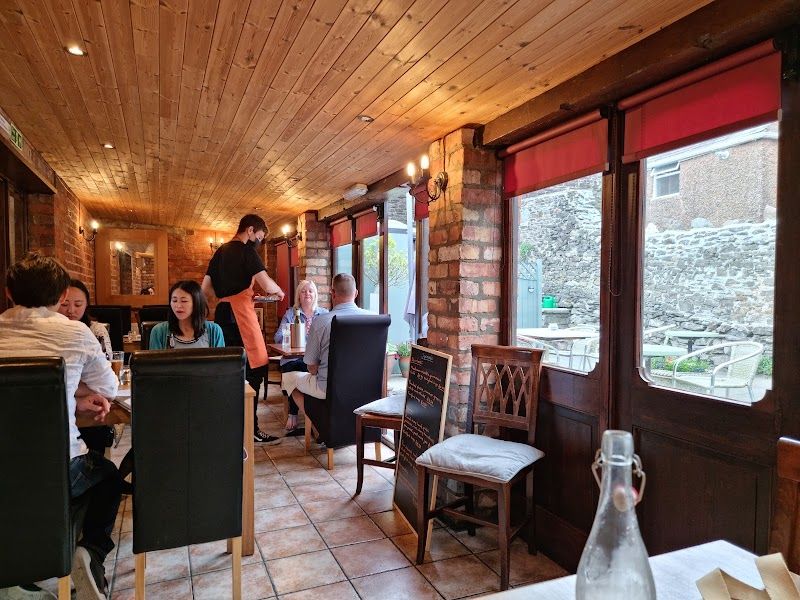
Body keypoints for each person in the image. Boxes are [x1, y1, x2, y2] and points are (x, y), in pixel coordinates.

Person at [0, 253, 121, 600]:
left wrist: (72, 398)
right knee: (107, 477)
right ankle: (91, 551)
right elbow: (109, 387)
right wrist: (76, 392)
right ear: (61, 296)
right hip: (58, 470)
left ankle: (14, 575)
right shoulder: (75, 333)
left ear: (9, 292)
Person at [202, 214, 285, 445]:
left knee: (229, 373)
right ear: (250, 230)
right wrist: (279, 292)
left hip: (222, 314)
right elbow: (267, 284)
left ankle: (230, 429)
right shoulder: (246, 250)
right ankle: (251, 429)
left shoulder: (219, 252)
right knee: (255, 369)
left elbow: (205, 289)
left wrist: (229, 295)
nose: (259, 241)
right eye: (259, 236)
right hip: (240, 316)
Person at [282, 274, 369, 424]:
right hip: (365, 386)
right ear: (356, 293)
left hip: (328, 387)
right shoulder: (373, 318)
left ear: (332, 293)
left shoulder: (322, 321)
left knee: (289, 378)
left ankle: (319, 425)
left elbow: (312, 367)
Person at [58, 278, 115, 455]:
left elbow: (107, 368)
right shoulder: (52, 333)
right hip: (68, 402)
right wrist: (81, 389)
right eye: (65, 304)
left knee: (97, 416)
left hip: (86, 403)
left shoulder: (96, 330)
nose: (71, 310)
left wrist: (71, 387)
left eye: (78, 304)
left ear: (87, 305)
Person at [274, 280, 328, 431]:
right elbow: (278, 337)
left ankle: (312, 415)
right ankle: (295, 414)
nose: (307, 294)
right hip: (293, 358)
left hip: (315, 359)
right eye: (303, 291)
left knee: (309, 369)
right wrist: (292, 334)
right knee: (294, 369)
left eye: (310, 291)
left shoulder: (324, 314)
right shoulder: (291, 314)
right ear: (298, 295)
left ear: (315, 294)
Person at [149, 280, 224, 349]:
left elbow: (220, 359)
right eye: (174, 300)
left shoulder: (214, 330)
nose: (178, 306)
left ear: (196, 303)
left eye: (184, 301)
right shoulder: (159, 331)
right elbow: (154, 359)